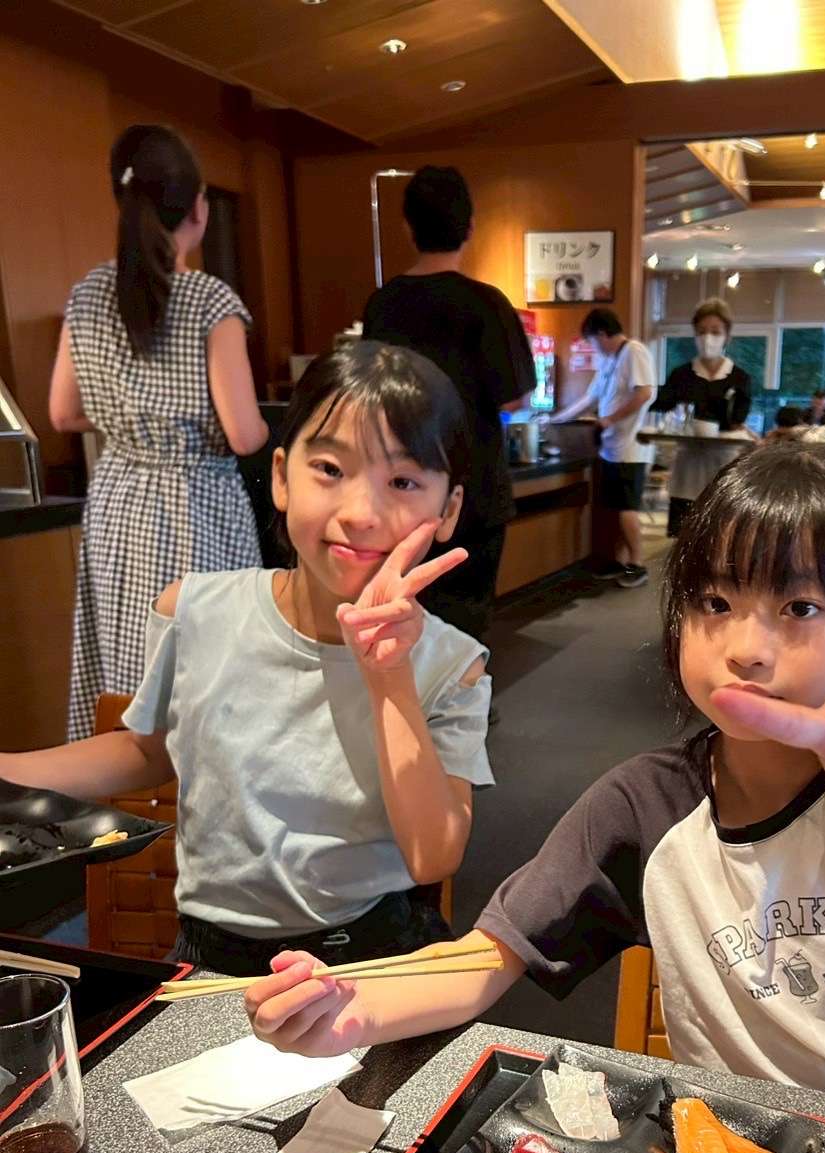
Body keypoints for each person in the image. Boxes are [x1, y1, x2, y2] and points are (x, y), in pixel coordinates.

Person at [244, 442, 825, 1119]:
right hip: (725, 1129)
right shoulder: (643, 805)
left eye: (799, 606)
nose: (746, 646)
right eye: (716, 602)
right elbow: (485, 956)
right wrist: (349, 1004)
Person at [4, 344, 493, 974]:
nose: (361, 514)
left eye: (402, 482)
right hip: (211, 956)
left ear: (447, 510)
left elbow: (434, 856)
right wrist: (7, 773)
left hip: (366, 956)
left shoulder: (453, 664)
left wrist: (388, 674)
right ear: (283, 478)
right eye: (330, 469)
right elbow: (147, 752)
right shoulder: (194, 610)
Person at [50, 124, 269, 741]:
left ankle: (127, 778)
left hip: (117, 499)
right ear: (198, 208)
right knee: (206, 662)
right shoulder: (209, 301)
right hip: (196, 503)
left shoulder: (88, 293)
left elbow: (63, 412)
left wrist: (132, 423)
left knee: (127, 655)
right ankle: (200, 783)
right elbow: (244, 433)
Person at [361, 166, 535, 645]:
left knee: (400, 605)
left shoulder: (383, 303)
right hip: (473, 486)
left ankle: (400, 685)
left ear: (408, 227)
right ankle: (460, 689)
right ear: (470, 227)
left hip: (398, 482)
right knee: (467, 616)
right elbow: (515, 395)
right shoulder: (487, 304)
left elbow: (368, 390)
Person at [551, 307, 656, 589]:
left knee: (626, 508)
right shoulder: (610, 361)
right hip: (611, 448)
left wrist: (611, 419)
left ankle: (638, 565)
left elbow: (644, 392)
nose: (593, 347)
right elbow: (590, 399)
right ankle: (619, 561)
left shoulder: (633, 351)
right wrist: (558, 418)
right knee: (615, 508)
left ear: (601, 333)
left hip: (629, 448)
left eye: (592, 341)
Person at [650, 296, 754, 537]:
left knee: (720, 534)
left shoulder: (739, 378)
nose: (708, 338)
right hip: (688, 462)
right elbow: (661, 406)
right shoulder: (681, 375)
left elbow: (738, 419)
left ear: (727, 336)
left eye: (715, 331)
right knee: (684, 535)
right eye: (702, 331)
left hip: (724, 461)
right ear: (695, 335)